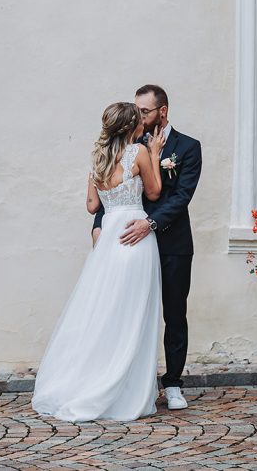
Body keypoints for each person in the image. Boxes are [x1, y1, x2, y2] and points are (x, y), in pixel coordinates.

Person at [32, 101, 165, 422]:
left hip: (108, 237)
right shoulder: (140, 153)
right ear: (133, 126)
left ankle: (88, 377)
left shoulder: (98, 159)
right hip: (136, 234)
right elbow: (155, 192)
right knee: (134, 311)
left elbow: (92, 205)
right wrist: (157, 158)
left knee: (103, 307)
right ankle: (125, 389)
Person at [92, 84, 202, 411]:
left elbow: (181, 197)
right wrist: (98, 226)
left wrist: (150, 224)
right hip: (130, 246)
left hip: (172, 243)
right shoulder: (130, 145)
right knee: (127, 313)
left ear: (162, 112)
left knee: (173, 312)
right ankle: (130, 382)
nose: (139, 116)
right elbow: (111, 190)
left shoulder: (188, 147)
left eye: (145, 111)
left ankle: (173, 384)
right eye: (137, 111)